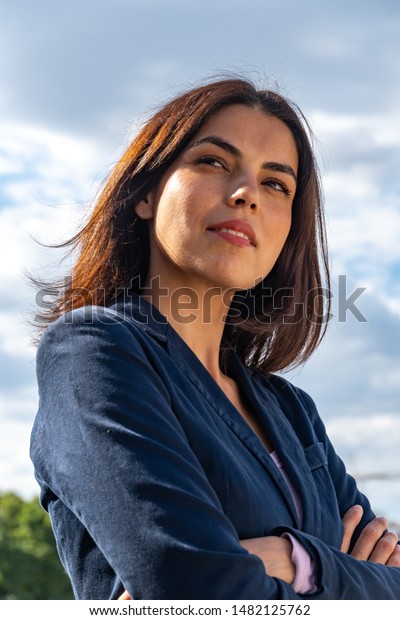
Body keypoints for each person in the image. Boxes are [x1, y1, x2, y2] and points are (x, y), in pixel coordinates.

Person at [30, 77, 400, 600]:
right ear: (145, 194)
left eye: (276, 184)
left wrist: (297, 562)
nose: (246, 193)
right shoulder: (94, 350)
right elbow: (189, 587)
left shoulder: (293, 411)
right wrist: (330, 564)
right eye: (213, 162)